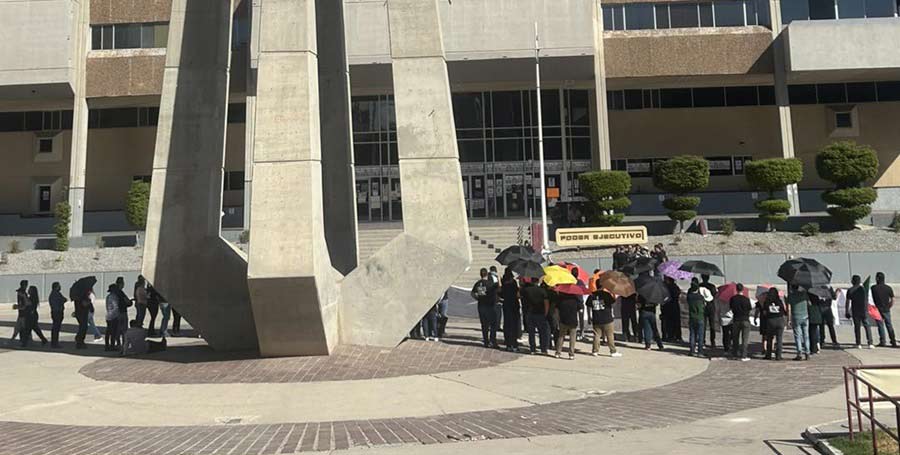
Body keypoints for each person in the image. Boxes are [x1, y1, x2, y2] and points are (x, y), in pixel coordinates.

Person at [521, 279, 550, 355]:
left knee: (531, 332)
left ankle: (532, 349)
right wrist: (546, 313)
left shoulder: (527, 290)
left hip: (530, 313)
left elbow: (518, 295)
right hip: (540, 313)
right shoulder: (542, 291)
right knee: (542, 332)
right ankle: (543, 349)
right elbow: (546, 303)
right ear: (538, 282)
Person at [590, 285, 621, 357]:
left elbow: (588, 304)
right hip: (607, 318)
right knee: (610, 335)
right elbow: (613, 301)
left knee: (596, 335)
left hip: (596, 318)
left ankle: (595, 351)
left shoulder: (592, 295)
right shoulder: (606, 294)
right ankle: (613, 351)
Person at [471, 268, 499, 348]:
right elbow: (498, 288)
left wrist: (478, 298)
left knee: (484, 325)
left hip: (481, 306)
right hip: (490, 306)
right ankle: (492, 340)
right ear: (487, 274)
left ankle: (486, 341)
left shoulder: (478, 283)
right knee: (493, 324)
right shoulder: (490, 283)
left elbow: (473, 293)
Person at [846, 275, 874, 349]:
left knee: (857, 327)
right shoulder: (863, 289)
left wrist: (847, 311)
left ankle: (858, 343)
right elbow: (866, 300)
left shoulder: (850, 290)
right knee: (867, 326)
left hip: (855, 311)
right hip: (863, 310)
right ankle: (870, 343)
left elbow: (847, 302)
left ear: (853, 281)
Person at [871, 272, 896, 348]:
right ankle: (893, 341)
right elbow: (892, 300)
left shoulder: (873, 288)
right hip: (886, 309)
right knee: (889, 325)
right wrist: (889, 306)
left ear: (877, 278)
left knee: (880, 326)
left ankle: (882, 341)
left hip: (877, 309)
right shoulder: (888, 288)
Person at [786, 284, 810, 361]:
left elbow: (788, 309)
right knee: (806, 335)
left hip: (796, 317)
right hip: (805, 316)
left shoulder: (791, 296)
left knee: (797, 336)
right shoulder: (804, 294)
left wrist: (789, 319)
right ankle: (807, 353)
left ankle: (799, 353)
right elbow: (809, 303)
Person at [762, 287, 787, 360]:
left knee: (769, 338)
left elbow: (764, 312)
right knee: (779, 339)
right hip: (779, 320)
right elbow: (784, 311)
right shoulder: (779, 301)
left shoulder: (767, 301)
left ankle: (768, 354)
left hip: (770, 321)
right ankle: (778, 355)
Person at [729, 284, 752, 361]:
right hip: (745, 319)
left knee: (735, 338)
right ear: (743, 290)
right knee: (745, 339)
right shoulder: (746, 299)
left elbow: (731, 308)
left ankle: (735, 354)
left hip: (736, 319)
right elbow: (749, 308)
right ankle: (744, 355)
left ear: (736, 289)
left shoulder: (733, 299)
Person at [555, 291, 580, 360]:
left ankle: (558, 352)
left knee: (561, 336)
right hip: (573, 320)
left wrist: (558, 319)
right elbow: (580, 308)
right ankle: (571, 354)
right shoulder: (575, 298)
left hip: (563, 319)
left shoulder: (560, 299)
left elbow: (557, 309)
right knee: (572, 338)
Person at [500, 269, 520, 351]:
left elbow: (500, 293)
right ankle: (514, 344)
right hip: (514, 304)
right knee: (514, 324)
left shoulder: (503, 282)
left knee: (507, 324)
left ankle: (508, 343)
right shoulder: (513, 283)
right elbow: (517, 294)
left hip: (506, 304)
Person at [687, 279, 707, 357]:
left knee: (692, 334)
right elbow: (703, 306)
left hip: (692, 316)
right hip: (700, 317)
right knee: (700, 335)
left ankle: (692, 350)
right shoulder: (700, 297)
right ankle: (700, 351)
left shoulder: (689, 296)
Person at [700, 275, 718, 349]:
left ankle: (702, 340)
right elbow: (715, 295)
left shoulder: (699, 285)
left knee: (703, 325)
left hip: (702, 306)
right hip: (711, 306)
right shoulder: (712, 286)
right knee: (712, 325)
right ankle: (712, 341)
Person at [662, 277, 683, 342]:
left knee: (668, 322)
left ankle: (669, 336)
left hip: (667, 306)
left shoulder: (666, 287)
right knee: (676, 322)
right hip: (675, 306)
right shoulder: (675, 287)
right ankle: (677, 336)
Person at [72, 284, 92, 349]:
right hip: (82, 314)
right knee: (83, 327)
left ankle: (79, 340)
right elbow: (84, 304)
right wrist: (89, 302)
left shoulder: (77, 297)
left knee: (82, 327)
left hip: (79, 314)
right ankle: (80, 340)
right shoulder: (82, 297)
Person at [48, 282, 67, 348]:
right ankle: (54, 342)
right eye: (59, 286)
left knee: (55, 327)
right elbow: (63, 299)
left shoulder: (54, 294)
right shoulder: (56, 294)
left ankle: (54, 342)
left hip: (55, 312)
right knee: (56, 328)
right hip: (57, 312)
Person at [115, 276, 132, 348]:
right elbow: (127, 302)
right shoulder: (121, 293)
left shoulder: (115, 292)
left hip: (116, 313)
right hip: (122, 312)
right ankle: (124, 343)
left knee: (118, 329)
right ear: (121, 283)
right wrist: (130, 302)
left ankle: (118, 342)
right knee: (124, 329)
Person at [104, 284, 120, 351]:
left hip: (108, 315)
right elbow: (115, 307)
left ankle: (107, 345)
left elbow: (107, 306)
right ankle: (112, 345)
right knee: (113, 332)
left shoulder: (108, 296)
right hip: (113, 316)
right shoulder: (114, 297)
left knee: (108, 331)